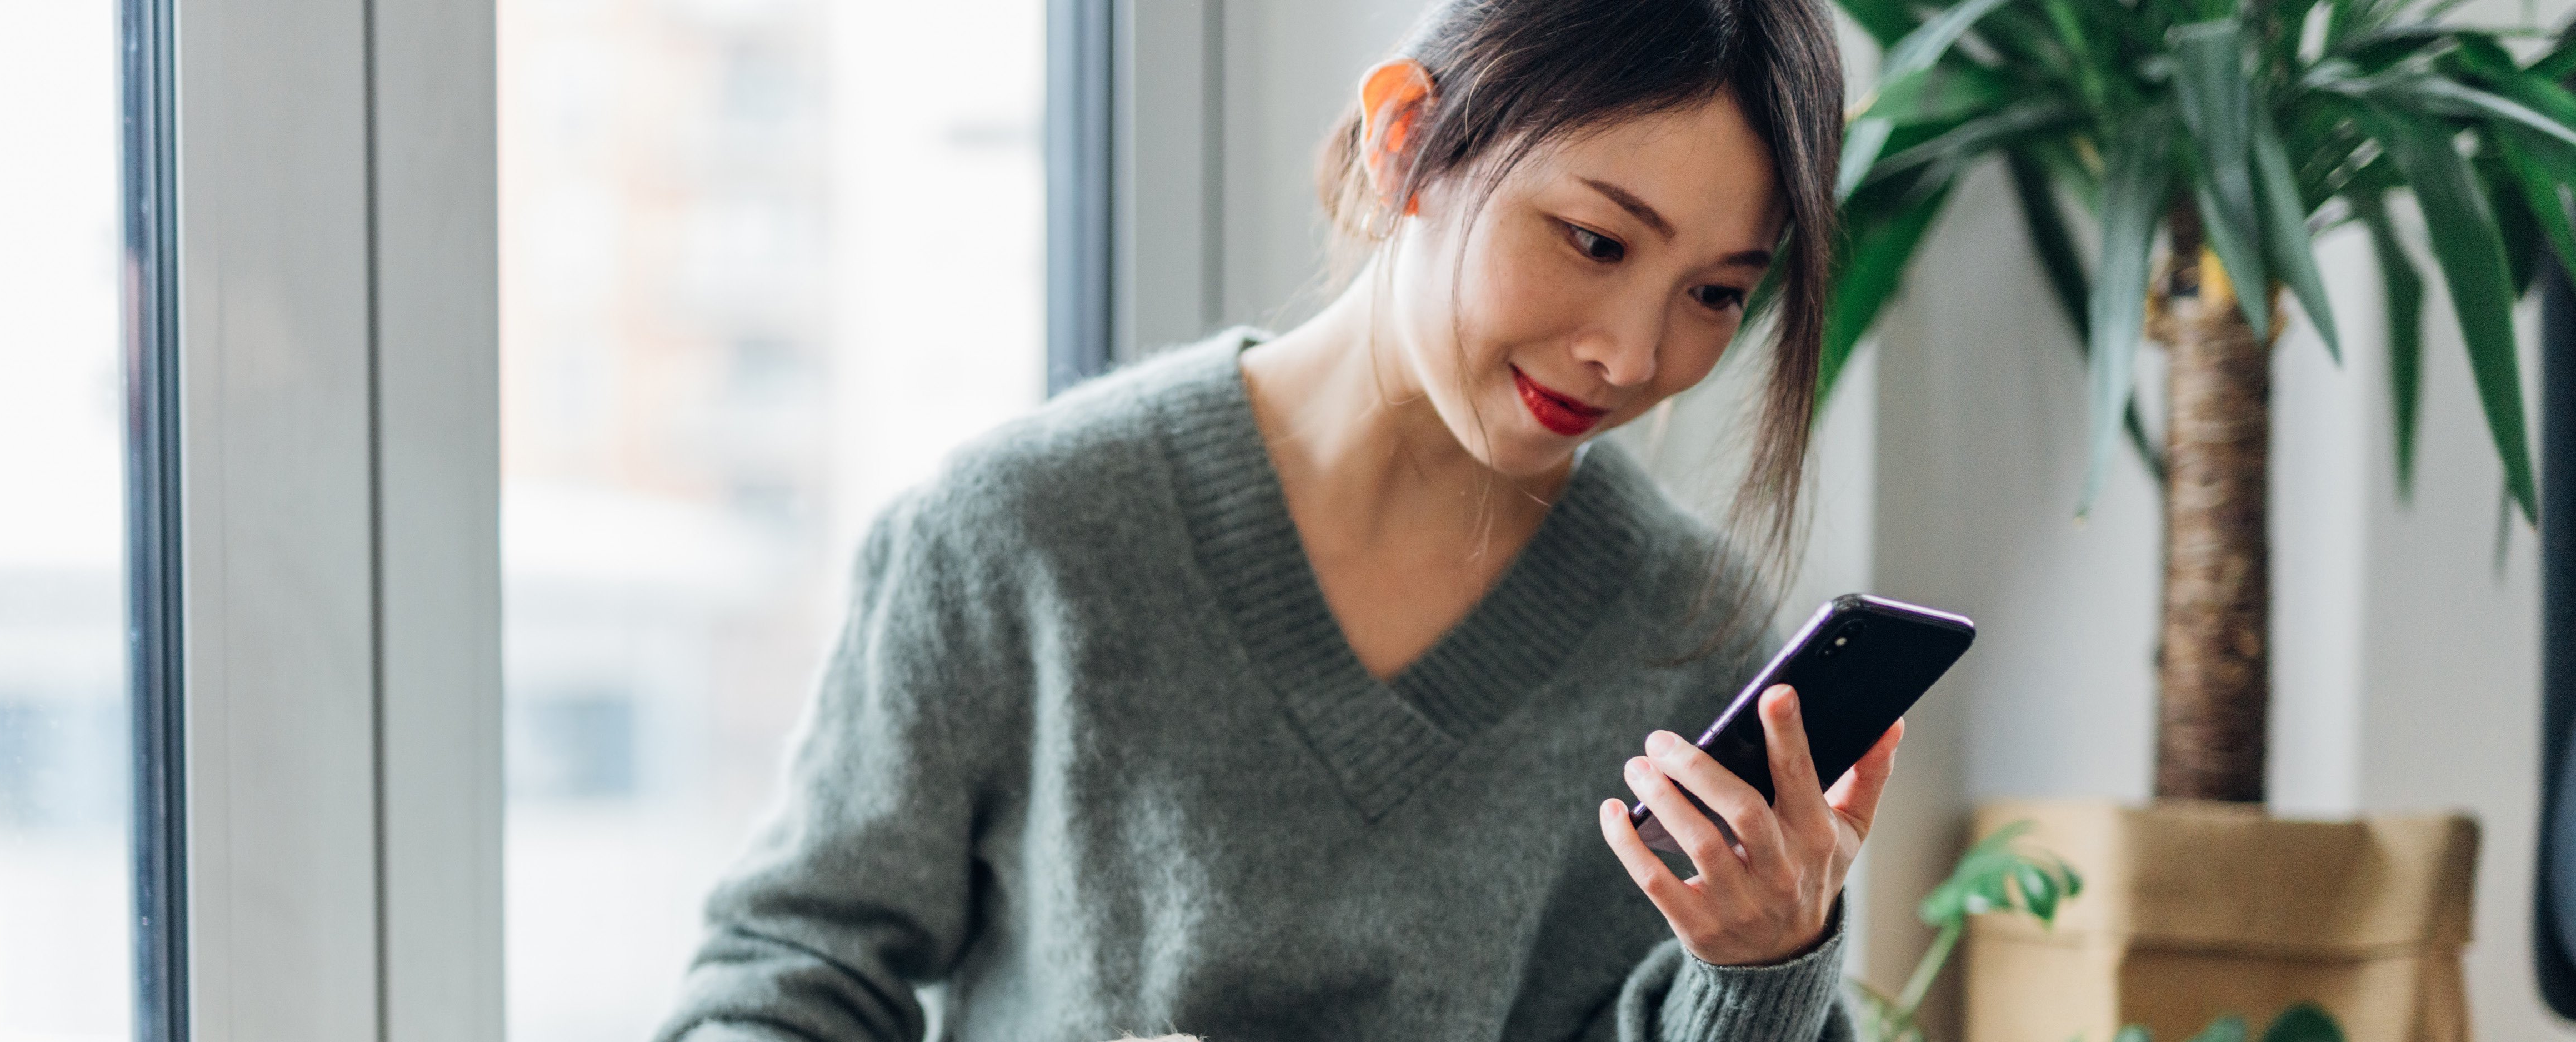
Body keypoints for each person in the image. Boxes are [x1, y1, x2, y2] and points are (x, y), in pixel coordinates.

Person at [654, 0, 1893, 1039]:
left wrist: (1761, 964)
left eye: (1714, 293)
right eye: (1590, 239)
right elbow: (785, 967)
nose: (1630, 354)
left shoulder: (1686, 627)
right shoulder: (1021, 535)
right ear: (1405, 135)